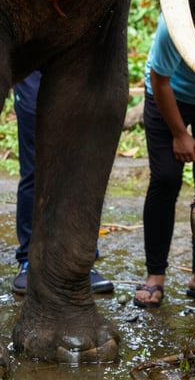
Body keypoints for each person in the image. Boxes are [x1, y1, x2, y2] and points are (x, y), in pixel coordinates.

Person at [134, 13, 195, 308]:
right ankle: (155, 275)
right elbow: (159, 80)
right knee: (166, 178)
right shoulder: (173, 23)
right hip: (168, 94)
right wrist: (179, 134)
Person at [11, 70, 115, 295]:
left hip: (75, 61)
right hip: (31, 66)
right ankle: (28, 259)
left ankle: (79, 263)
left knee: (80, 168)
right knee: (34, 168)